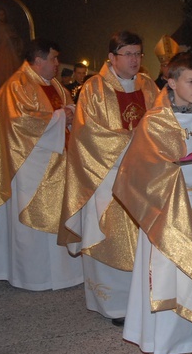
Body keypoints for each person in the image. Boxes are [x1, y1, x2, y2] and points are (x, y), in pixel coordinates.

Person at [112, 52, 192, 354]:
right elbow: (139, 170)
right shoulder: (155, 121)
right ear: (171, 81)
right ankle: (161, 348)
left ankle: (189, 345)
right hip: (166, 214)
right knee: (166, 280)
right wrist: (175, 170)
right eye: (191, 81)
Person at [0, 39, 83, 291]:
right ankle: (33, 275)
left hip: (58, 164)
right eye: (53, 58)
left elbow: (65, 114)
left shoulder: (54, 86)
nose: (57, 64)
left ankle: (63, 274)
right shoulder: (16, 86)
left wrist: (70, 114)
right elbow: (20, 123)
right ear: (38, 60)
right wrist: (62, 116)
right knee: (30, 225)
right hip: (29, 168)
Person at [59, 30, 159, 325]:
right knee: (111, 235)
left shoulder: (149, 86)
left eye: (138, 54)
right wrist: (132, 139)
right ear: (111, 58)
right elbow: (87, 132)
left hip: (144, 177)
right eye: (127, 54)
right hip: (106, 175)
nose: (134, 60)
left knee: (144, 240)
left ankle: (144, 299)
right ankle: (115, 305)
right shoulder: (94, 88)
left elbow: (163, 122)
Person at [0, 7, 24, 97]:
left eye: (3, 14)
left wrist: (12, 38)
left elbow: (16, 39)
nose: (1, 17)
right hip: (1, 51)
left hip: (10, 52)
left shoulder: (9, 26)